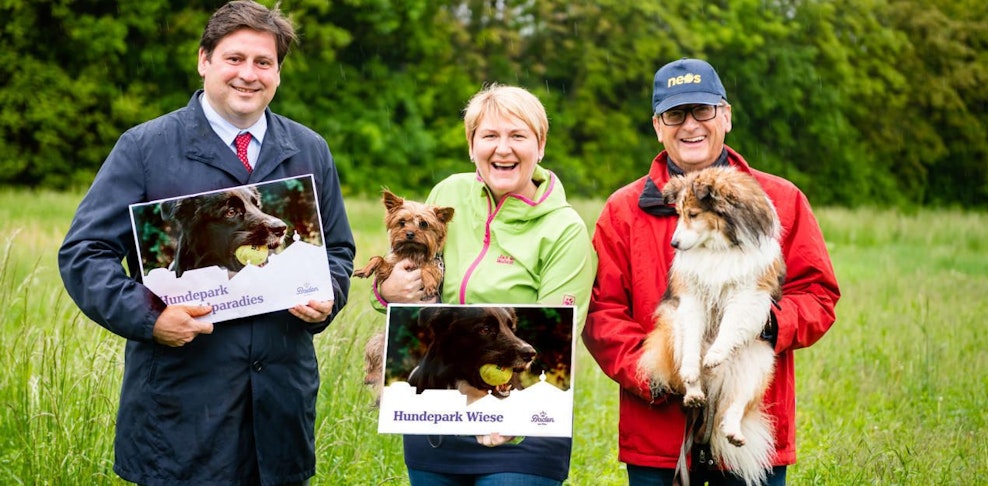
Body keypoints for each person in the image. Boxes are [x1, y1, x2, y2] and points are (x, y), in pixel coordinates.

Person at [57, 1, 355, 484]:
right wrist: (150, 316)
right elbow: (84, 253)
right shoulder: (144, 148)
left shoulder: (309, 150)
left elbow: (338, 250)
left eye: (264, 62)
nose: (248, 75)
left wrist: (329, 295)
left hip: (280, 408)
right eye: (234, 59)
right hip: (181, 410)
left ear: (278, 72)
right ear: (204, 60)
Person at [581, 58, 840, 485]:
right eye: (675, 114)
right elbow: (602, 312)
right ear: (657, 126)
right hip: (657, 440)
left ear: (726, 116)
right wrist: (658, 378)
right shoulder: (622, 211)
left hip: (747, 424)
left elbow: (819, 296)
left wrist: (766, 324)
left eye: (702, 110)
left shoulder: (781, 199)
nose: (690, 126)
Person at [374, 83, 597, 485]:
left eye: (518, 136)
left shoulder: (565, 229)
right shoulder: (447, 194)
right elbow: (414, 274)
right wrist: (387, 292)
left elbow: (557, 339)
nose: (503, 148)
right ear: (472, 145)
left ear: (541, 145)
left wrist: (509, 415)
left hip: (519, 429)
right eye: (489, 136)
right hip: (438, 418)